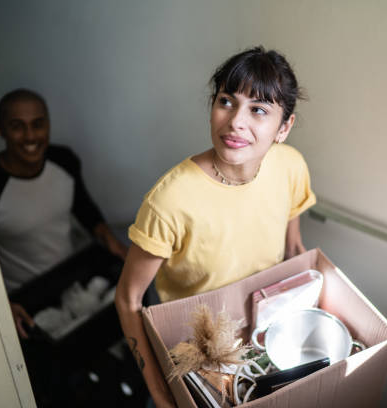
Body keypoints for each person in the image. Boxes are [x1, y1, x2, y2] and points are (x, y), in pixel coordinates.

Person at [115, 46, 316, 407]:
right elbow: (128, 299)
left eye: (258, 110)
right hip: (195, 349)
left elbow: (293, 251)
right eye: (226, 101)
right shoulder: (169, 201)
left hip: (263, 332)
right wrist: (161, 393)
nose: (236, 121)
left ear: (284, 127)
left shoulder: (291, 167)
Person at [0, 88, 128, 339]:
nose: (29, 136)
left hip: (71, 277)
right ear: (1, 130)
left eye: (38, 124)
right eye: (17, 126)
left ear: (48, 125)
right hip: (26, 298)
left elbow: (85, 209)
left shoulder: (64, 161)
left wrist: (112, 241)